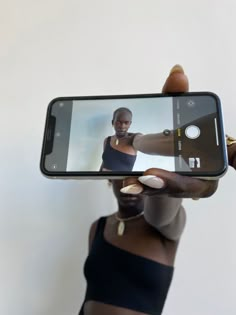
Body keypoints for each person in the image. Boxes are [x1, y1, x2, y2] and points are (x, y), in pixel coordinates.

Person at [79, 65, 235, 315]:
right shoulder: (97, 228)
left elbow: (161, 212)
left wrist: (178, 145)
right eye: (120, 176)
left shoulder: (162, 227)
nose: (129, 185)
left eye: (137, 176)